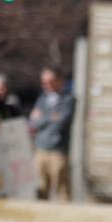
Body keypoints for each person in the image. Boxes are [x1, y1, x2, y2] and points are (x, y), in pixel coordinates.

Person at [29, 67, 76, 201]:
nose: (47, 85)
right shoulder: (42, 98)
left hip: (58, 152)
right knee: (41, 190)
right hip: (40, 150)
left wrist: (42, 118)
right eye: (44, 82)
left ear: (60, 81)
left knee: (63, 192)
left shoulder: (68, 99)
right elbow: (33, 123)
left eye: (50, 81)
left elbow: (60, 123)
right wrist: (50, 117)